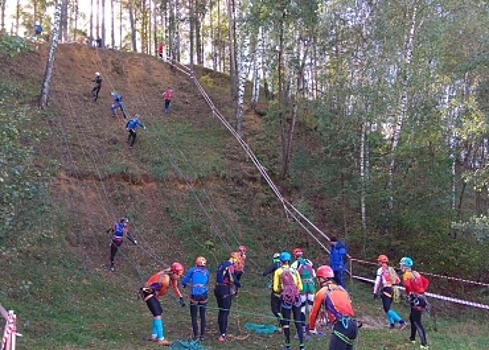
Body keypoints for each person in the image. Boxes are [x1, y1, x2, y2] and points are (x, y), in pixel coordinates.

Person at [309, 265, 359, 350]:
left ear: (322, 278)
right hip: (353, 325)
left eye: (318, 278)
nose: (318, 281)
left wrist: (311, 328)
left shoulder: (322, 292)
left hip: (342, 326)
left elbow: (313, 313)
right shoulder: (341, 289)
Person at [139, 262, 186, 346]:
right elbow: (151, 287)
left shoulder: (171, 275)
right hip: (148, 292)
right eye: (178, 275)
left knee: (158, 313)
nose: (179, 277)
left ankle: (154, 336)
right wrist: (149, 291)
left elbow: (175, 287)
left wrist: (181, 298)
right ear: (174, 273)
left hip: (152, 293)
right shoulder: (165, 279)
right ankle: (161, 339)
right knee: (157, 314)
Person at [273, 251, 304, 350]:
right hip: (297, 297)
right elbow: (301, 287)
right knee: (298, 321)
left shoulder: (278, 271)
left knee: (286, 322)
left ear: (281, 261)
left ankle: (288, 346)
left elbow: (275, 289)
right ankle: (302, 346)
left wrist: (282, 289)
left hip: (286, 298)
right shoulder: (294, 271)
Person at [400, 257, 430, 349]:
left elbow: (407, 285)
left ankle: (424, 344)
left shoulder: (406, 275)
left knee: (417, 321)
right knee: (412, 317)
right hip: (420, 298)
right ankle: (412, 338)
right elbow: (426, 282)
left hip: (416, 300)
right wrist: (422, 291)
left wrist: (410, 293)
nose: (400, 266)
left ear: (405, 266)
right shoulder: (416, 273)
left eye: (401, 264)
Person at [373, 255, 407, 330]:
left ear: (381, 262)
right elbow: (398, 280)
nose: (378, 263)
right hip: (393, 289)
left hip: (386, 289)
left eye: (379, 261)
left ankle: (402, 322)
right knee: (387, 308)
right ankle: (392, 324)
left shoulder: (380, 270)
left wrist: (375, 292)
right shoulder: (391, 269)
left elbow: (377, 282)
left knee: (387, 308)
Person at [214, 253, 241, 342]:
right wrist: (239, 284)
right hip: (224, 289)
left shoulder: (221, 264)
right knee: (225, 312)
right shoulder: (230, 266)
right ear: (235, 259)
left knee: (221, 310)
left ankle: (221, 330)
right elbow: (232, 278)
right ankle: (223, 334)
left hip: (217, 288)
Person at [182, 256, 210, 341]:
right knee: (202, 315)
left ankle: (196, 335)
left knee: (194, 316)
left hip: (194, 295)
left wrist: (185, 284)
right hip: (203, 294)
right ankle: (202, 336)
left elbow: (184, 281)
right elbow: (207, 280)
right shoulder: (206, 271)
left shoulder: (192, 270)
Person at [290, 248, 316, 336]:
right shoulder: (309, 262)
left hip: (302, 287)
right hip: (311, 286)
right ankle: (313, 327)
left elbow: (292, 277)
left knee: (302, 307)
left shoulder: (294, 264)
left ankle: (303, 328)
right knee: (311, 307)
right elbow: (314, 274)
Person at [262, 253, 282, 330]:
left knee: (274, 308)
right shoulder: (285, 266)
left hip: (276, 290)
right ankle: (282, 324)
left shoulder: (275, 264)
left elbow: (265, 273)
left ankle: (281, 320)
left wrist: (263, 273)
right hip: (284, 290)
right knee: (280, 307)